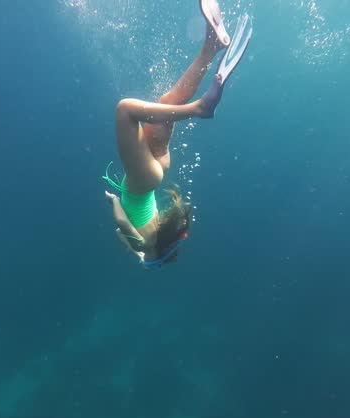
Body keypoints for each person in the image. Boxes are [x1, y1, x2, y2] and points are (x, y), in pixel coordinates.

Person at [104, 0, 252, 269]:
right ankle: (198, 109)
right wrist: (114, 201)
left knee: (165, 104)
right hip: (141, 180)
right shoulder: (143, 245)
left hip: (156, 171)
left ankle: (211, 47)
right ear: (151, 256)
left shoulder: (156, 238)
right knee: (125, 110)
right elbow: (121, 224)